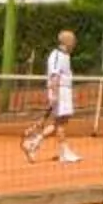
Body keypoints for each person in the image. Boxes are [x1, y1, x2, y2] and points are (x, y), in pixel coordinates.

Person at [20, 28, 83, 165]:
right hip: (59, 90)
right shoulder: (56, 56)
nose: (75, 43)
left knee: (60, 123)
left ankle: (32, 143)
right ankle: (64, 153)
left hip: (65, 91)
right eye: (73, 41)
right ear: (67, 41)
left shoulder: (66, 55)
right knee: (60, 124)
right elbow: (54, 75)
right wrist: (54, 94)